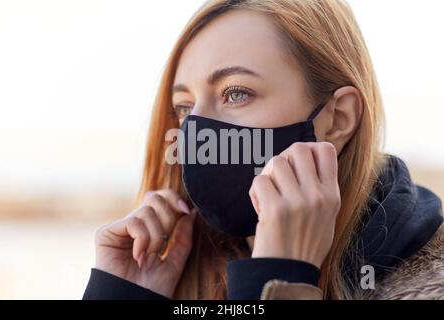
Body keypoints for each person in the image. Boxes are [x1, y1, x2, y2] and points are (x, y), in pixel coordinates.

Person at [83, 0, 444, 300]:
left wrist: (276, 280)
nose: (197, 130)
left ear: (338, 119)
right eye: (184, 107)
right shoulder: (178, 268)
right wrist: (122, 294)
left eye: (236, 93)